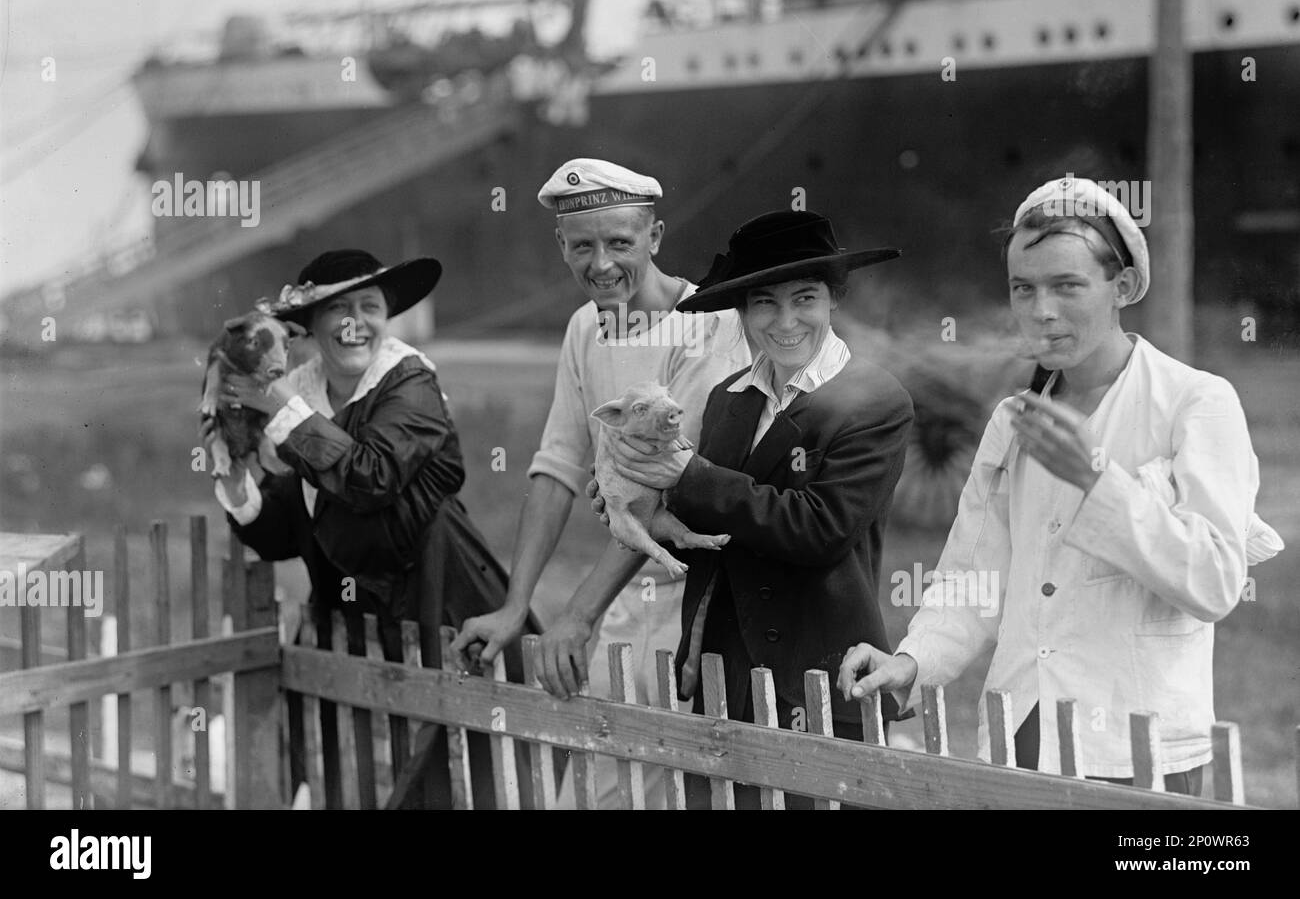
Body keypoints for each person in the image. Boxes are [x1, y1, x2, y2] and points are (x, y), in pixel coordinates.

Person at [838, 176, 1283, 793]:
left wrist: (1095, 480)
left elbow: (1213, 582)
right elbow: (974, 576)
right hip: (1023, 736)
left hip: (1139, 751)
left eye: (1067, 285)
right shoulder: (1012, 421)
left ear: (1122, 286)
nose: (1041, 310)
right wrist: (913, 661)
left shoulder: (1196, 403)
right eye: (1024, 288)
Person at [579, 209, 914, 809]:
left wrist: (689, 476)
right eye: (764, 303)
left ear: (835, 297)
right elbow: (716, 524)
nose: (784, 322)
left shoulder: (874, 401)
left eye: (804, 298)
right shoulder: (726, 398)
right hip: (726, 680)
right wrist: (638, 499)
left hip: (821, 679)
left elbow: (820, 529)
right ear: (741, 312)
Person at [450, 159, 751, 809]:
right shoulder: (585, 327)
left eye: (620, 243)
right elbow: (557, 466)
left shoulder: (710, 326)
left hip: (699, 604)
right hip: (626, 601)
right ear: (561, 245)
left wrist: (575, 615)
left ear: (656, 237)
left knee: (690, 790)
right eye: (582, 245)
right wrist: (513, 605)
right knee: (598, 791)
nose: (602, 264)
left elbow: (665, 494)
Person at [203, 248, 540, 809]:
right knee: (351, 783)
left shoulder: (409, 385)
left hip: (436, 611)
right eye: (338, 308)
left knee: (452, 786)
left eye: (370, 305)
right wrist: (237, 478)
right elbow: (290, 529)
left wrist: (284, 410)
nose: (355, 322)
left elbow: (369, 477)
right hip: (348, 624)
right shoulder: (297, 390)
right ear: (310, 324)